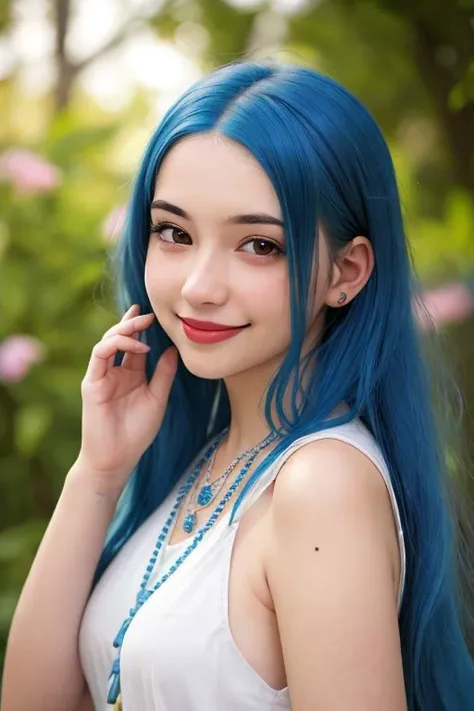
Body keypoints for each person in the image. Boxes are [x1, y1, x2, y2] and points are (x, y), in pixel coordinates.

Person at [1, 59, 473, 711]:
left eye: (258, 244)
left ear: (348, 270)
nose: (198, 286)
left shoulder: (320, 486)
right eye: (175, 232)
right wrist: (98, 473)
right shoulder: (210, 457)